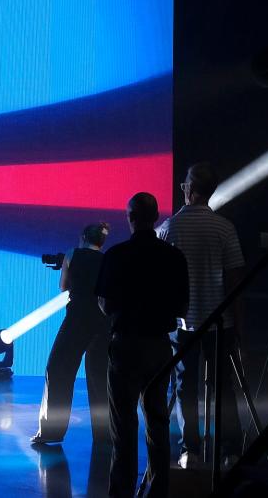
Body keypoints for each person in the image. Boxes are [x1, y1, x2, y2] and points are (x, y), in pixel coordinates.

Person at [96, 192, 189, 498]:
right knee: (158, 421)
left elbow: (106, 305)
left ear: (131, 217)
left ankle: (121, 492)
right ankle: (156, 489)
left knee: (122, 427)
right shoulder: (174, 257)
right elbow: (181, 308)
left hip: (125, 346)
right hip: (159, 347)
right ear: (155, 216)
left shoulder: (116, 255)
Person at [158, 161, 246, 468]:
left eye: (184, 184)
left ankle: (189, 450)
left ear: (191, 190)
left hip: (182, 324)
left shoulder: (169, 228)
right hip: (221, 323)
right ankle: (231, 450)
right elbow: (235, 279)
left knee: (184, 388)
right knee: (224, 388)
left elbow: (163, 281)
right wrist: (238, 324)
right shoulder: (225, 228)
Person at [32, 222, 111, 445]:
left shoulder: (72, 254)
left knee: (58, 370)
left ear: (83, 236)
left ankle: (51, 431)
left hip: (77, 319)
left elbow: (64, 286)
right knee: (99, 379)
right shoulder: (107, 260)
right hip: (102, 322)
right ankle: (104, 434)